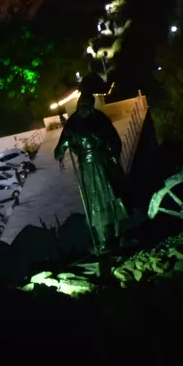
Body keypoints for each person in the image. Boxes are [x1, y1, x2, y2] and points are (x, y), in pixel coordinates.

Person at [54, 93, 130, 253]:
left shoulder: (100, 118)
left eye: (88, 106)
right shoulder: (73, 123)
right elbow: (61, 147)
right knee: (95, 204)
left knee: (113, 199)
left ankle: (119, 234)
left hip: (104, 164)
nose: (85, 109)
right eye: (82, 106)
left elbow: (114, 139)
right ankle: (102, 239)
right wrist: (62, 146)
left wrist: (113, 156)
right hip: (88, 169)